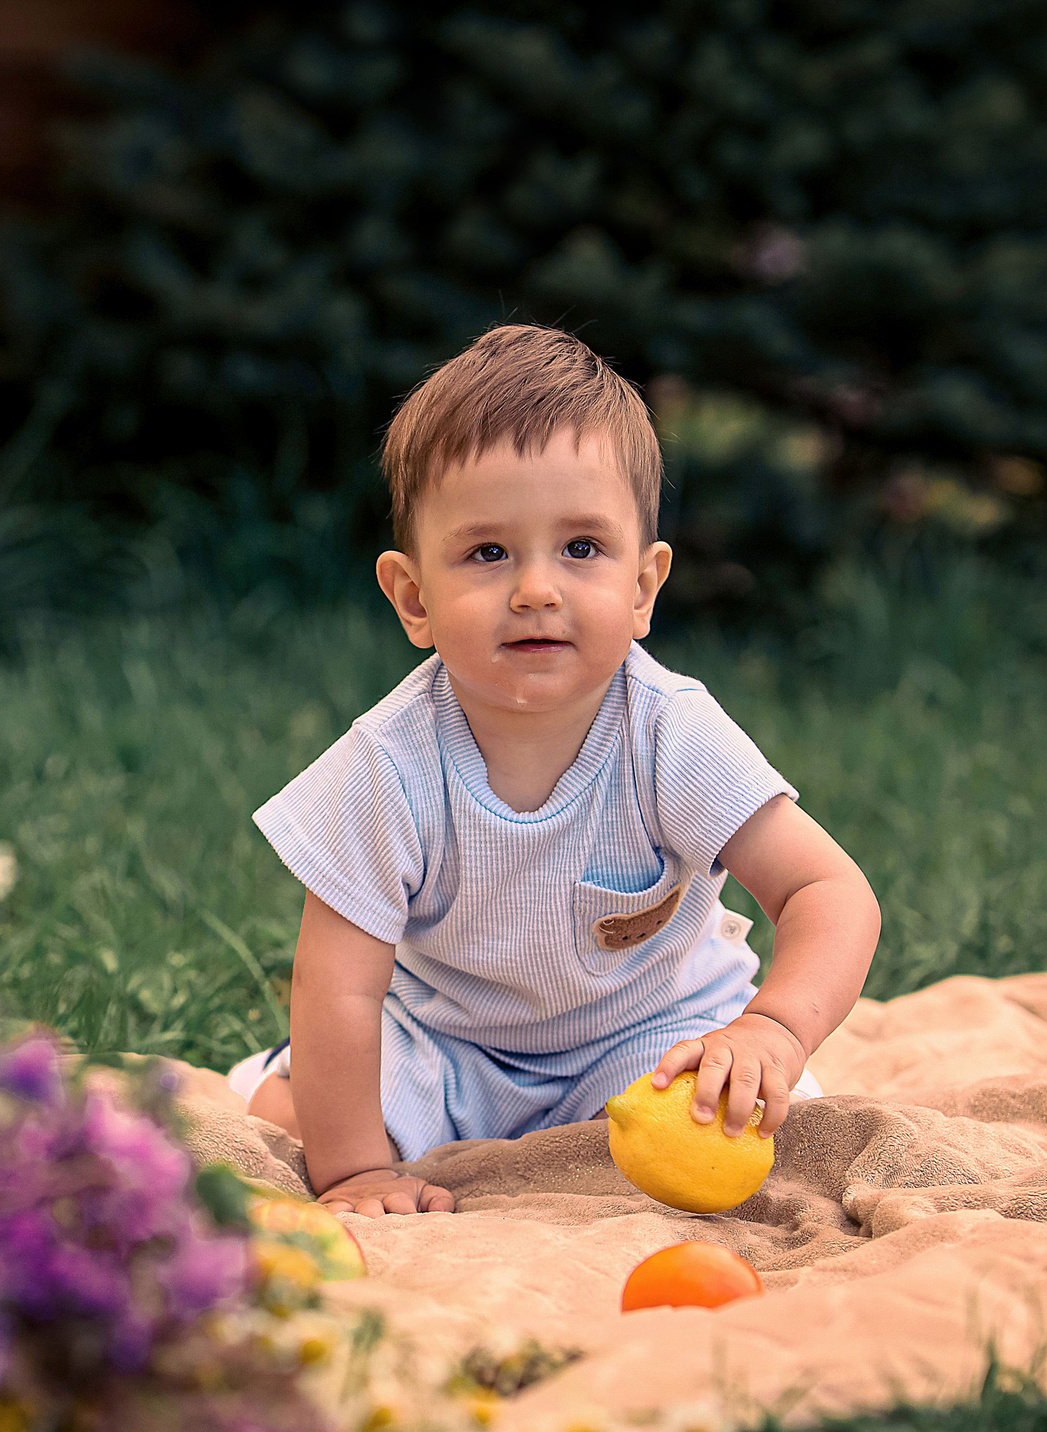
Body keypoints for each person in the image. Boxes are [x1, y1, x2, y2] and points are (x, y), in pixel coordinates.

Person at [228, 326, 882, 1216]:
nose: (537, 588)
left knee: (755, 1140)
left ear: (645, 586)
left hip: (650, 1029)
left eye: (581, 548)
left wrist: (772, 1028)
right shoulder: (388, 765)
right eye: (489, 553)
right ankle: (314, 1108)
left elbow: (828, 891)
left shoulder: (668, 732)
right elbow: (338, 983)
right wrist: (355, 1172)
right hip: (450, 1043)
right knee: (298, 1117)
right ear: (413, 598)